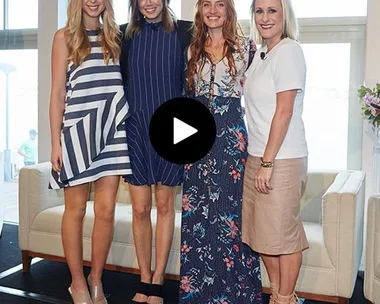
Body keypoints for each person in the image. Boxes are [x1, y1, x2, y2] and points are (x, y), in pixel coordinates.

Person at [179, 0, 262, 303]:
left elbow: (258, 98)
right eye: (205, 4)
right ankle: (200, 295)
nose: (212, 10)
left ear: (229, 10)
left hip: (231, 139)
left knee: (231, 218)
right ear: (199, 10)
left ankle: (234, 296)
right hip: (196, 140)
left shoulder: (248, 48)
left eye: (219, 4)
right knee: (198, 215)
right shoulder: (192, 48)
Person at [49, 0, 131, 303]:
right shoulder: (64, 37)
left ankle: (96, 279)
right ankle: (77, 282)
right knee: (77, 210)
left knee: (106, 210)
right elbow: (57, 93)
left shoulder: (116, 37)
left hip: (112, 133)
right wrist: (55, 142)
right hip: (77, 133)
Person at [119, 1, 192, 303]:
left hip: (172, 132)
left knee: (164, 208)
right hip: (135, 130)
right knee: (139, 210)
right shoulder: (123, 35)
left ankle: (159, 280)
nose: (148, 2)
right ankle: (144, 277)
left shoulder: (185, 32)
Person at [242, 0, 308, 303]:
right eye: (259, 11)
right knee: (263, 236)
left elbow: (284, 112)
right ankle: (284, 296)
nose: (265, 18)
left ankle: (282, 298)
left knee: (284, 235)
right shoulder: (262, 54)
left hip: (280, 158)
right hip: (258, 155)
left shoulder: (289, 51)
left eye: (272, 11)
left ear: (285, 15)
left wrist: (268, 162)